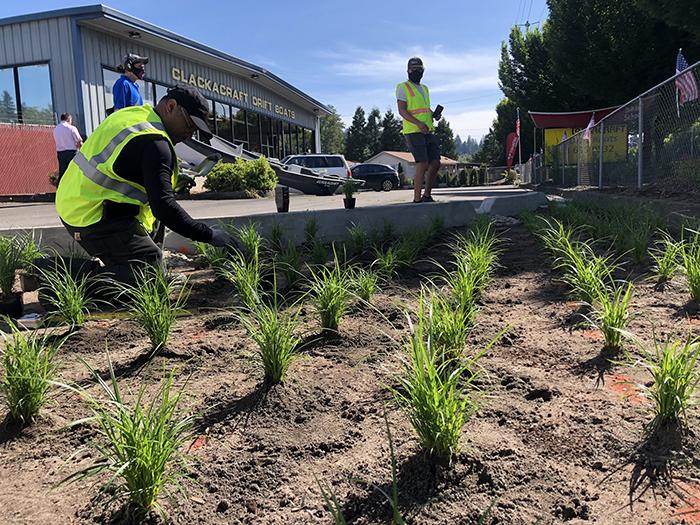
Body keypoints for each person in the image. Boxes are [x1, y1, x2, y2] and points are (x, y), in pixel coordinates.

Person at [55, 84, 235, 284]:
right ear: (171, 106)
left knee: (153, 230)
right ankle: (58, 278)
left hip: (79, 198)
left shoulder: (136, 116)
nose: (189, 135)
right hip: (88, 214)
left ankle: (151, 268)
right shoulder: (154, 143)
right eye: (189, 125)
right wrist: (209, 235)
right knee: (146, 276)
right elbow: (164, 207)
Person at [396, 57, 441, 203]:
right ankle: (417, 200)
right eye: (413, 69)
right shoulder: (403, 87)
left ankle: (427, 195)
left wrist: (434, 114)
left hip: (428, 130)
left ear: (423, 71)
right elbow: (402, 111)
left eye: (419, 69)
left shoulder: (425, 88)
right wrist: (418, 124)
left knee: (435, 163)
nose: (416, 72)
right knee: (422, 163)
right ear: (408, 70)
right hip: (413, 131)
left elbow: (423, 108)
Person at [53, 113, 83, 185]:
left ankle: (61, 188)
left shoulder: (56, 129)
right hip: (71, 153)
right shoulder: (71, 128)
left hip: (60, 153)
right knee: (73, 171)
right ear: (68, 119)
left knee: (63, 172)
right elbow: (79, 141)